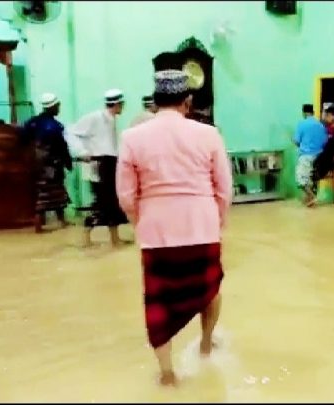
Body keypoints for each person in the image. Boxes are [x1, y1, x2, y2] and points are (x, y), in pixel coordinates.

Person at [116, 69, 233, 387]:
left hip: (156, 232)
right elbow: (224, 188)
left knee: (159, 301)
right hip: (202, 227)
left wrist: (141, 221)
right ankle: (206, 344)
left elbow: (126, 194)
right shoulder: (209, 134)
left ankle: (167, 374)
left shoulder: (132, 137)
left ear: (155, 102)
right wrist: (216, 220)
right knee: (210, 290)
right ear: (187, 101)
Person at [66, 88, 129, 247]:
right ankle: (86, 237)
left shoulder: (112, 120)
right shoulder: (95, 117)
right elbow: (70, 132)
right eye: (122, 104)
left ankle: (115, 238)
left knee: (112, 203)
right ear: (117, 104)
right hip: (99, 164)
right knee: (100, 202)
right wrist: (81, 152)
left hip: (111, 163)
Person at [22, 93, 73, 232]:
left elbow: (23, 139)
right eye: (58, 106)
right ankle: (45, 224)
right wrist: (68, 162)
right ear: (53, 107)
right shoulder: (55, 126)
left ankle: (54, 222)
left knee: (45, 192)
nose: (59, 108)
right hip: (52, 164)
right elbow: (61, 146)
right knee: (52, 192)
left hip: (36, 164)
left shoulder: (32, 122)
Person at [293, 103, 327, 207]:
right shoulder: (320, 125)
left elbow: (296, 141)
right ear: (313, 112)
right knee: (313, 178)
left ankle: (312, 197)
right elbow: (325, 141)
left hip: (306, 155)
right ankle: (310, 200)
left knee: (301, 180)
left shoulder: (302, 124)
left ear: (304, 113)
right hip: (319, 155)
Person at [312, 106, 334, 204]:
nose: (326, 117)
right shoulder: (324, 129)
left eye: (328, 115)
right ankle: (313, 195)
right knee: (315, 168)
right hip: (326, 155)